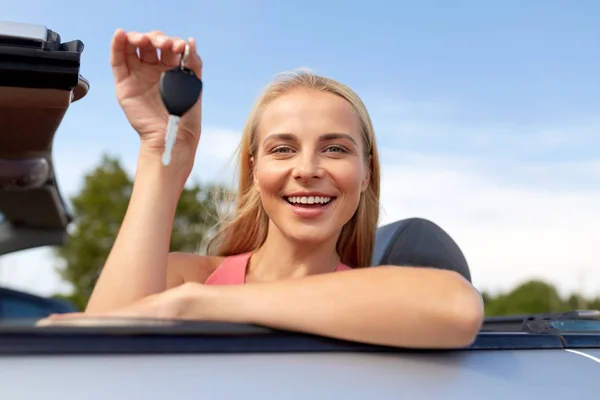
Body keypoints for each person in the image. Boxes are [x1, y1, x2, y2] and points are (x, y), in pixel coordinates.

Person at [43, 29, 484, 349]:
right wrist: (162, 149)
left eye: (334, 149)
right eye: (283, 149)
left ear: (366, 174)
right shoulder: (185, 277)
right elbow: (98, 351)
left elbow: (459, 308)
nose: (307, 169)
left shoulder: (381, 299)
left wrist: (195, 308)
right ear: (255, 171)